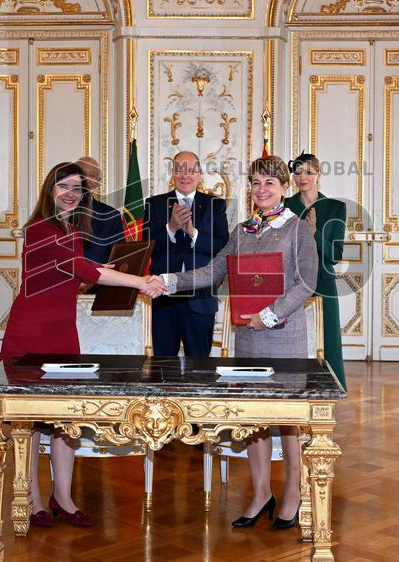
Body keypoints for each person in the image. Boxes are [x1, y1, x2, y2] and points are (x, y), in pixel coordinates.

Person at [154, 155, 319, 530]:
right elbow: (214, 269)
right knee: (253, 419)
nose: (262, 190)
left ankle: (292, 494)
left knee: (289, 422)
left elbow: (306, 283)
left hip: (283, 336)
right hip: (247, 336)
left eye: (270, 184)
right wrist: (168, 281)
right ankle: (261, 493)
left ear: (284, 188)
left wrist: (270, 315)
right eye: (256, 183)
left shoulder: (298, 230)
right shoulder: (243, 230)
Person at [0, 161, 164, 528]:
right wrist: (141, 282)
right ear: (49, 190)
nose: (71, 194)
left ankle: (64, 497)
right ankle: (32, 498)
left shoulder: (72, 230)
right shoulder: (41, 228)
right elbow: (87, 271)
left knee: (65, 420)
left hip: (62, 333)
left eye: (78, 189)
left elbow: (75, 278)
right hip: (31, 335)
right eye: (64, 187)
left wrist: (111, 282)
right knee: (29, 421)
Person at [144, 151, 229, 356]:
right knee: (163, 369)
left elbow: (222, 246)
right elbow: (145, 246)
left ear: (199, 174)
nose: (185, 175)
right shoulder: (154, 204)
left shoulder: (215, 205)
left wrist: (193, 233)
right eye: (179, 169)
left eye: (191, 170)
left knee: (200, 370)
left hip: (200, 299)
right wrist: (171, 228)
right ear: (173, 173)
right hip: (164, 299)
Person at [284, 153, 348, 389]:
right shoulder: (284, 206)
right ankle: (291, 385)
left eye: (309, 172)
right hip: (290, 280)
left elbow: (334, 255)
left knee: (326, 336)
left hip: (323, 280)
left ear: (319, 175)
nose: (303, 177)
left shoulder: (335, 208)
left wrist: (315, 234)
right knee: (291, 334)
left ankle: (329, 385)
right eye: (298, 172)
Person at [74, 156, 124, 265]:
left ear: (98, 182)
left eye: (91, 175)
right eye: (81, 173)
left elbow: (118, 259)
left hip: (100, 280)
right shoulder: (58, 211)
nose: (86, 179)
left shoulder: (112, 215)